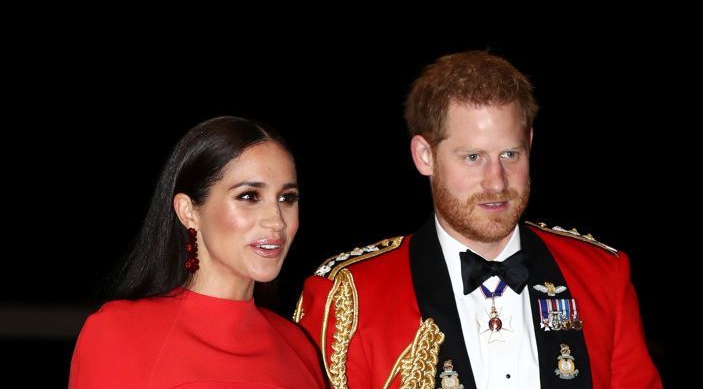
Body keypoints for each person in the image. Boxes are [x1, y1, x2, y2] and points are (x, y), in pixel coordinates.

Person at [295, 51, 662, 389]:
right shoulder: (349, 298)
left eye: (509, 154)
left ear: (530, 144)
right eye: (473, 157)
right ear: (425, 156)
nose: (497, 181)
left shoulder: (601, 275)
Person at [69, 116, 325, 388]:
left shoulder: (298, 346)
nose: (276, 220)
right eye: (249, 196)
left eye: (287, 198)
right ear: (188, 211)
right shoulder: (120, 332)